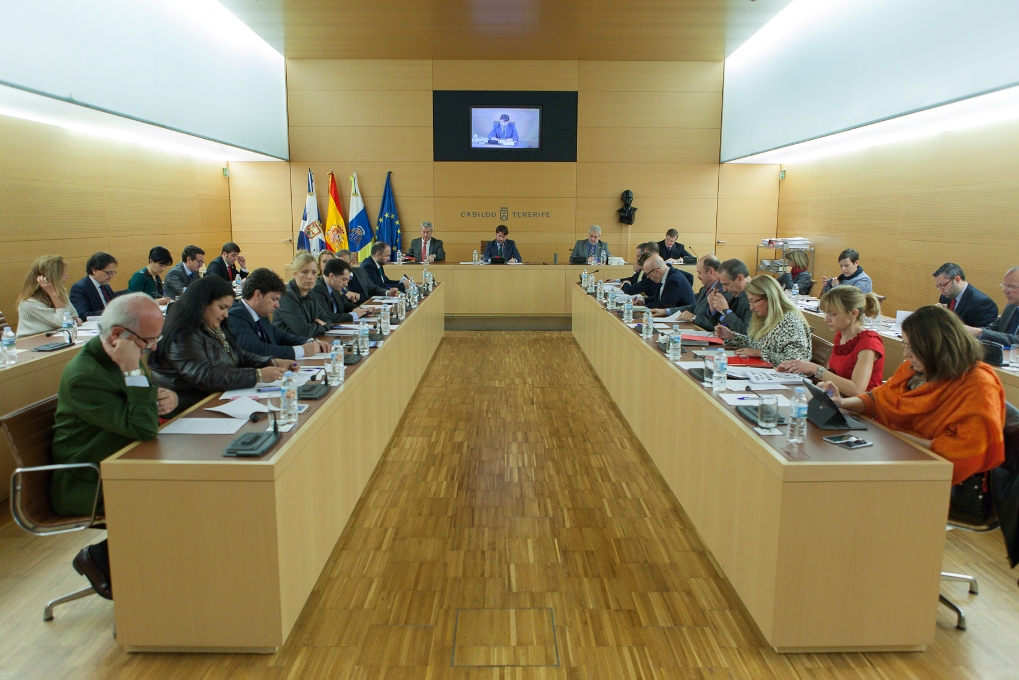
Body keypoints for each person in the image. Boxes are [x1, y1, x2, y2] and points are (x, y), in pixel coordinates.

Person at [50, 293, 178, 600]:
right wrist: (134, 371)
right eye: (148, 340)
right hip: (86, 482)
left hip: (120, 463)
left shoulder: (122, 355)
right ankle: (99, 557)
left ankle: (166, 573)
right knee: (178, 497)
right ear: (118, 336)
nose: (153, 347)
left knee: (189, 489)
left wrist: (166, 399)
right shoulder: (87, 375)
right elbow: (143, 427)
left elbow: (145, 407)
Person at [827, 305, 1005, 486]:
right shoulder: (914, 369)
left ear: (937, 347)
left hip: (937, 477)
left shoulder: (978, 385)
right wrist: (841, 402)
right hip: (897, 454)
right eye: (905, 346)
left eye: (912, 348)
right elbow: (878, 399)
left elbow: (960, 453)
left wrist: (893, 436)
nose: (906, 354)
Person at [149, 276, 287, 414]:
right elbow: (205, 375)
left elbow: (236, 354)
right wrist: (257, 375)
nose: (226, 315)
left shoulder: (212, 326)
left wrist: (270, 361)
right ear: (202, 303)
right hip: (189, 410)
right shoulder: (181, 336)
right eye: (222, 307)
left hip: (214, 400)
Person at [776, 286, 885, 396]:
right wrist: (798, 370)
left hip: (861, 410)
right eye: (826, 313)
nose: (826, 319)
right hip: (839, 402)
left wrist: (815, 369)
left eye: (833, 314)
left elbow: (856, 390)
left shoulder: (869, 343)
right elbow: (833, 375)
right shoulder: (840, 336)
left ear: (853, 313)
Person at [227, 268, 331, 361]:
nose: (277, 305)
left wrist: (309, 341)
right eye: (274, 299)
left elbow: (279, 336)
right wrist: (301, 350)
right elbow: (256, 349)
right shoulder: (235, 316)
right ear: (257, 295)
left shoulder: (260, 314)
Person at [714, 275, 811, 365]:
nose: (751, 307)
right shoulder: (768, 316)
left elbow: (796, 361)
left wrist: (760, 353)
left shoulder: (790, 320)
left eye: (754, 301)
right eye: (749, 302)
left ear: (770, 297)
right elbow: (758, 344)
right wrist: (731, 336)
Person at [653, 254, 728, 331]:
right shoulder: (705, 288)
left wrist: (694, 318)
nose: (698, 276)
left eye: (700, 273)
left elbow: (718, 323)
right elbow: (694, 307)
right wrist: (666, 311)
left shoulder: (724, 290)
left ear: (711, 271)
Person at [16, 255, 80, 338]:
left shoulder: (60, 292)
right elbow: (64, 322)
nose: (67, 277)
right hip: (33, 342)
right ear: (48, 278)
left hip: (54, 338)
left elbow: (74, 316)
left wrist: (74, 320)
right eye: (62, 274)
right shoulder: (29, 302)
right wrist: (53, 294)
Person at [274, 252, 330, 339]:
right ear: (294, 274)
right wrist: (319, 324)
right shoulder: (286, 296)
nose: (310, 277)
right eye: (305, 272)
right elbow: (304, 332)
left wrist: (316, 326)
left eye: (314, 272)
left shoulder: (311, 292)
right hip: (288, 347)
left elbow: (327, 320)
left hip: (309, 343)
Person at [965, 266, 1019, 347]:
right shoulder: (1011, 306)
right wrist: (966, 332)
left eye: (1011, 287)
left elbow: (1016, 340)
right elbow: (995, 328)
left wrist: (979, 332)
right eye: (1004, 286)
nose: (1005, 291)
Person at [933, 262, 998, 328]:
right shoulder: (945, 297)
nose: (940, 290)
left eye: (942, 285)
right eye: (938, 286)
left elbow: (983, 335)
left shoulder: (983, 304)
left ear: (957, 279)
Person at [312, 258, 371, 324]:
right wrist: (353, 315)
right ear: (331, 276)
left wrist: (363, 311)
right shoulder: (317, 289)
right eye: (344, 279)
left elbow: (345, 304)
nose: (346, 284)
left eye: (347, 280)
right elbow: (326, 316)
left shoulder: (334, 286)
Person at [69, 252, 120, 319]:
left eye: (113, 273)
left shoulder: (106, 286)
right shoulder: (80, 288)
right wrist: (109, 312)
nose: (111, 276)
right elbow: (82, 315)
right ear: (94, 271)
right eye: (108, 273)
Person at [708, 259, 753, 334]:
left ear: (740, 279)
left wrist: (725, 311)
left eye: (726, 284)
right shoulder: (737, 294)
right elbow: (719, 327)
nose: (724, 289)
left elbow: (746, 332)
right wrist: (714, 310)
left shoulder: (754, 298)